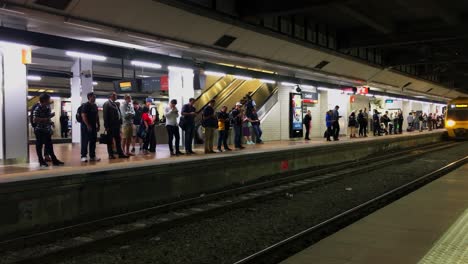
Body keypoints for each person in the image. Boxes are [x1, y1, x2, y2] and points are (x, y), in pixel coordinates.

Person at [32, 93, 64, 167]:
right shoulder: (37, 108)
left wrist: (50, 123)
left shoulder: (48, 108)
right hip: (39, 130)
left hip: (47, 129)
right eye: (48, 99)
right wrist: (45, 119)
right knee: (39, 145)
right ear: (44, 100)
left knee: (49, 145)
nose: (49, 101)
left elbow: (48, 118)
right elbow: (35, 119)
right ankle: (41, 161)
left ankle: (54, 160)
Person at [103, 92, 129, 159]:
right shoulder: (107, 104)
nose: (116, 96)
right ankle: (110, 154)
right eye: (115, 95)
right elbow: (105, 116)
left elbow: (118, 114)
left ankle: (120, 154)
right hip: (111, 126)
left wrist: (120, 123)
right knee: (110, 141)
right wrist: (106, 126)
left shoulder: (115, 104)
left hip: (117, 126)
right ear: (111, 96)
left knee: (118, 140)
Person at [80, 92, 101, 162]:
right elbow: (83, 116)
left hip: (93, 126)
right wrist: (88, 125)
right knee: (85, 141)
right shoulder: (86, 105)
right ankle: (83, 156)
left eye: (95, 97)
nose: (94, 98)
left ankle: (92, 156)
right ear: (89, 97)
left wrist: (98, 124)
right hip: (86, 127)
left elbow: (97, 116)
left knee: (93, 141)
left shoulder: (95, 105)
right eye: (93, 97)